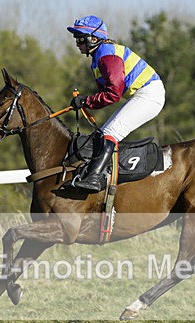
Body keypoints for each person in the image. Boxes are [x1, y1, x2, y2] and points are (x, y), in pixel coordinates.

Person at [66, 15, 166, 192]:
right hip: (142, 94)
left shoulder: (107, 55)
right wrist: (85, 102)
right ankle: (97, 175)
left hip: (149, 94)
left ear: (94, 38)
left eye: (80, 38)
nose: (77, 43)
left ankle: (95, 179)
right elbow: (106, 93)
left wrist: (86, 101)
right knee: (103, 133)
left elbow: (113, 94)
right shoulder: (99, 57)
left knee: (110, 133)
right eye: (76, 38)